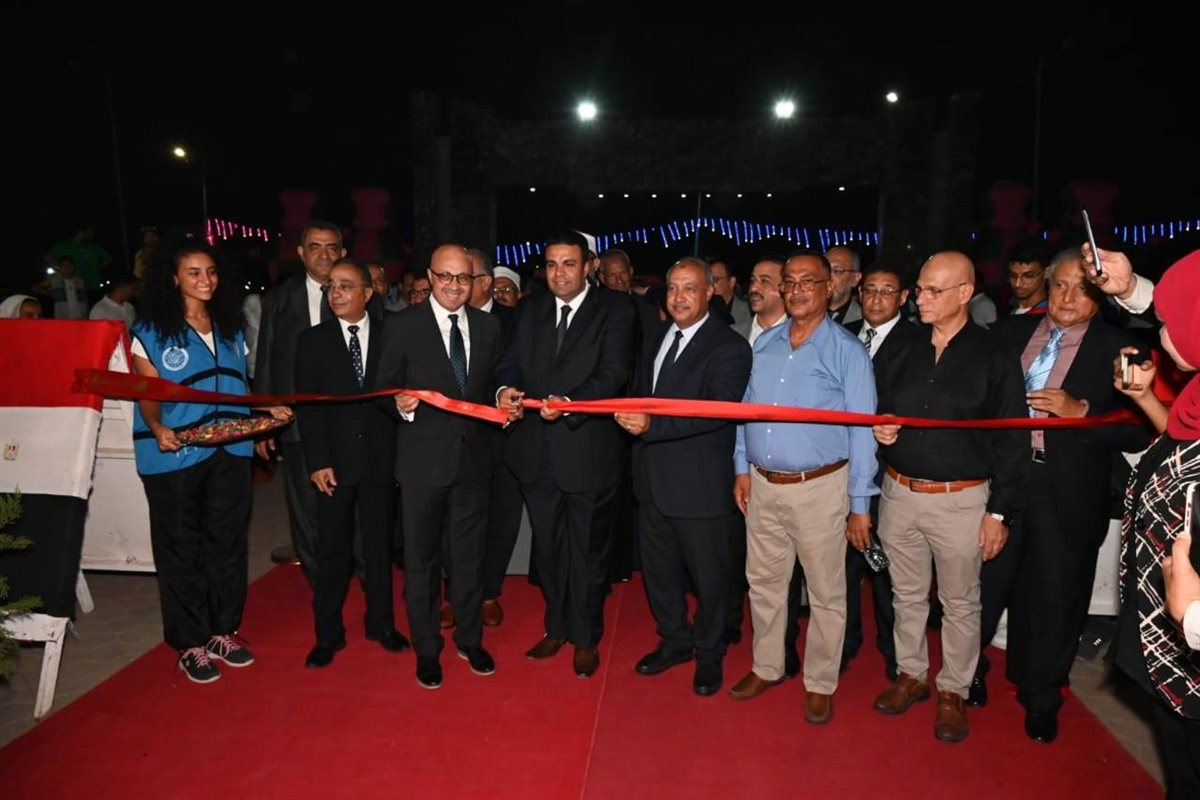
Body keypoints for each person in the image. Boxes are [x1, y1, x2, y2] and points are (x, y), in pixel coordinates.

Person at [870, 251, 1027, 743]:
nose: (921, 298)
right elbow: (877, 406)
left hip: (962, 500)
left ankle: (953, 690)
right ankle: (911, 674)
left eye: (933, 290)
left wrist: (999, 512)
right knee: (905, 594)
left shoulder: (994, 354)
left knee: (960, 601)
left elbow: (1013, 439)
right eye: (920, 289)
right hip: (899, 493)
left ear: (965, 293)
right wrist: (882, 427)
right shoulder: (901, 344)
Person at [996, 249, 1149, 743]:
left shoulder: (1121, 347)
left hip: (1068, 489)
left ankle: (1042, 696)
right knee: (991, 583)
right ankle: (966, 674)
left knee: (1058, 597)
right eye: (1060, 285)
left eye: (1082, 289)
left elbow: (1140, 430)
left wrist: (1081, 412)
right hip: (1003, 482)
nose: (1067, 297)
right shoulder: (1010, 332)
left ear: (1100, 296)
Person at [129, 238, 291, 683]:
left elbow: (238, 386)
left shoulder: (229, 326)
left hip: (230, 450)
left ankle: (222, 630)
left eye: (212, 272)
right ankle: (190, 642)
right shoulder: (151, 330)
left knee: (227, 542)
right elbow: (147, 392)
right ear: (173, 278)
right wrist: (157, 426)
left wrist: (264, 414)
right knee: (181, 547)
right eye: (195, 273)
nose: (206, 280)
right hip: (175, 453)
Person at [729, 249, 877, 727]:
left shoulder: (848, 352)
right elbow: (745, 411)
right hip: (763, 485)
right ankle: (767, 665)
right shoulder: (764, 345)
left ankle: (820, 681)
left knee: (826, 590)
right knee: (764, 582)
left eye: (807, 281)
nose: (796, 290)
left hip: (820, 488)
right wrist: (741, 467)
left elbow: (864, 432)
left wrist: (860, 504)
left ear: (830, 288)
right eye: (789, 282)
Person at [496, 230, 635, 678]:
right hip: (534, 454)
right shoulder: (530, 308)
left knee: (588, 554)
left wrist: (571, 403)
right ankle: (556, 626)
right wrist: (505, 389)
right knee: (550, 551)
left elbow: (614, 372)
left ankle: (586, 636)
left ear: (589, 266)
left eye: (569, 264)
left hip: (587, 453)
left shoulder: (615, 309)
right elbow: (510, 360)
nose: (559, 273)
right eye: (552, 264)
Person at [616, 257, 752, 697]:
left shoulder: (730, 347)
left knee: (711, 579)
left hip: (700, 487)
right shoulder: (656, 336)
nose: (678, 298)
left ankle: (710, 652)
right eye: (672, 288)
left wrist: (651, 426)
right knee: (659, 573)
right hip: (651, 481)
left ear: (710, 292)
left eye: (689, 288)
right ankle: (674, 640)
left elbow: (714, 412)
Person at [1094, 246, 1200, 798]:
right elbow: (1180, 450)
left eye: (1172, 321)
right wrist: (1147, 400)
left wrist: (1194, 614)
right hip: (1171, 623)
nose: (1160, 330)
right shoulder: (1195, 395)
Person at [377, 244, 503, 689]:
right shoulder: (402, 325)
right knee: (421, 562)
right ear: (429, 278)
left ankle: (470, 639)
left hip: (474, 464)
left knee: (469, 559)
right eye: (445, 276)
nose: (454, 285)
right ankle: (427, 649)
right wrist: (400, 404)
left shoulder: (488, 326)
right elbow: (382, 387)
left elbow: (493, 382)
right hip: (421, 464)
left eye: (463, 278)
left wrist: (504, 395)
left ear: (474, 282)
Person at [294, 259, 409, 669]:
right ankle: (328, 635)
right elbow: (309, 408)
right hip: (334, 465)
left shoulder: (391, 335)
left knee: (378, 549)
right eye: (331, 286)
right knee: (332, 553)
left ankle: (382, 624)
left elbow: (398, 398)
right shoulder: (313, 341)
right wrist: (318, 461)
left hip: (380, 462)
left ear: (368, 292)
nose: (336, 293)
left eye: (346, 285)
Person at [254, 221, 345, 584]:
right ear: (301, 253)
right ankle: (318, 575)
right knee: (305, 503)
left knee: (346, 497)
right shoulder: (281, 298)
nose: (324, 254)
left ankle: (349, 564)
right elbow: (266, 358)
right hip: (295, 419)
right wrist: (264, 420)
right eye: (315, 246)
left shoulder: (357, 292)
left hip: (346, 419)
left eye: (332, 247)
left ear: (343, 253)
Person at [1006, 241, 1049, 316]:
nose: (1017, 284)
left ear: (1046, 273)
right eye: (1013, 276)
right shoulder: (1010, 313)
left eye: (1028, 276)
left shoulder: (1051, 316)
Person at [826, 245, 863, 325]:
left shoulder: (865, 321)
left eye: (837, 271)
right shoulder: (802, 313)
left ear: (855, 278)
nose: (828, 277)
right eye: (825, 270)